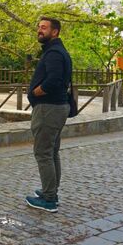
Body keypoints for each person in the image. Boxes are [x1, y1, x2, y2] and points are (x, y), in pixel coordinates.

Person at [25, 16, 73, 212]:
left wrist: (34, 92)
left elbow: (53, 81)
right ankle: (50, 191)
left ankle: (49, 199)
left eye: (44, 27)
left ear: (55, 32)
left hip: (49, 108)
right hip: (57, 107)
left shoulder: (53, 53)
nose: (40, 30)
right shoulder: (57, 51)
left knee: (43, 153)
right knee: (51, 151)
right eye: (39, 27)